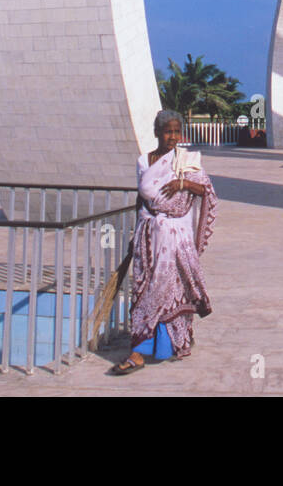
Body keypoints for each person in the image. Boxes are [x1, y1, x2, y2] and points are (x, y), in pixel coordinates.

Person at [110, 110, 217, 375]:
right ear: (157, 132)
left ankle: (153, 349)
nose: (172, 137)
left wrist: (183, 183)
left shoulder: (186, 161)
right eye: (167, 131)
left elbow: (206, 190)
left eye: (176, 132)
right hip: (149, 236)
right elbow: (141, 200)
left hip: (176, 237)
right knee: (144, 290)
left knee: (169, 290)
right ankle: (141, 348)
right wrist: (135, 235)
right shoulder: (144, 161)